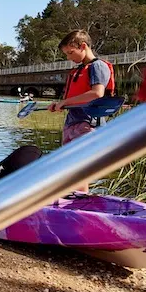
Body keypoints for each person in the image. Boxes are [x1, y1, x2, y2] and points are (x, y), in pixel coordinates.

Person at [48, 30, 115, 191]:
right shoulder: (79, 70)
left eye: (71, 53)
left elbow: (97, 93)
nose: (69, 58)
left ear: (83, 46)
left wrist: (66, 101)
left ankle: (79, 204)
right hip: (73, 122)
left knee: (79, 169)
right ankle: (73, 201)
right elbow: (77, 97)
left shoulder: (97, 66)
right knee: (68, 168)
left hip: (87, 124)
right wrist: (60, 104)